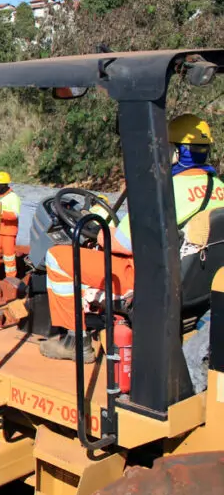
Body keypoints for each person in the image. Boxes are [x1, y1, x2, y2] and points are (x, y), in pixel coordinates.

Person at [41, 114, 224, 362]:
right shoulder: (218, 187)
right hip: (197, 283)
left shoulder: (165, 192)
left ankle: (75, 341)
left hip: (148, 279)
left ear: (175, 153)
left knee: (57, 258)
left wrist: (100, 228)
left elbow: (121, 243)